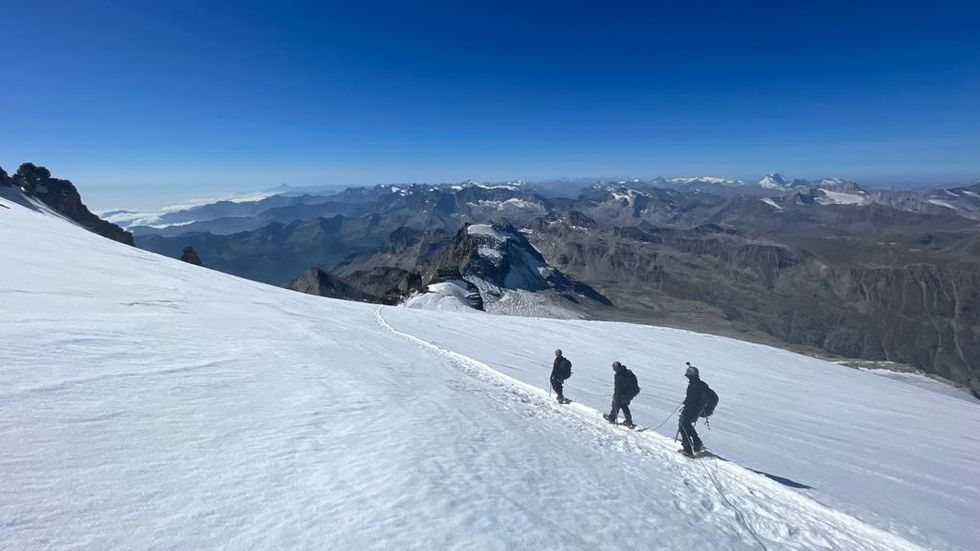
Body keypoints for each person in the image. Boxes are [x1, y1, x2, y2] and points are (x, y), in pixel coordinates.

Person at [678, 364, 708, 458]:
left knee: (683, 426)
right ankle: (697, 444)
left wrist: (685, 409)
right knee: (687, 425)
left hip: (691, 410)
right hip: (698, 410)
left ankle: (688, 449)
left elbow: (692, 401)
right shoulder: (702, 384)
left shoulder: (693, 386)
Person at [603, 361, 639, 428]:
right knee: (624, 405)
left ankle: (612, 418)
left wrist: (616, 398)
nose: (615, 371)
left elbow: (618, 390)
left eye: (615, 369)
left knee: (616, 403)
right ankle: (628, 422)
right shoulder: (628, 372)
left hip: (625, 394)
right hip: (631, 393)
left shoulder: (619, 376)